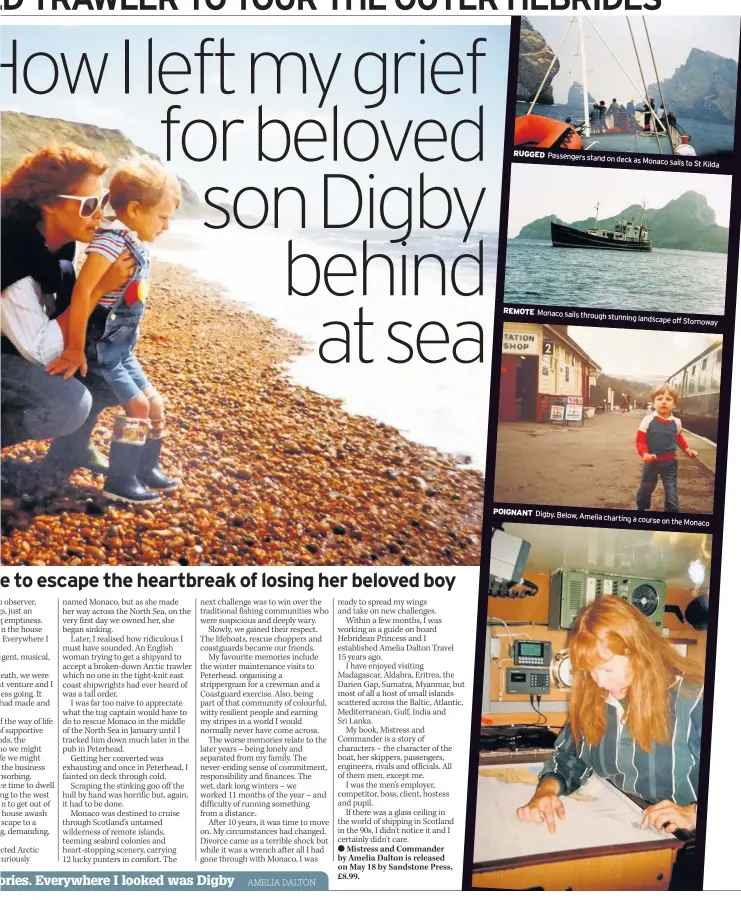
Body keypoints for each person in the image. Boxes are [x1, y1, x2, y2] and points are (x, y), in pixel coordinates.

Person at [47, 157, 181, 504]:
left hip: (121, 349)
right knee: (137, 407)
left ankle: (145, 467)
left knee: (155, 403)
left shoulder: (133, 240)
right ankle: (121, 480)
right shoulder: (109, 242)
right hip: (100, 349)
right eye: (163, 217)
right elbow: (83, 293)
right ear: (135, 209)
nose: (167, 227)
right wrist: (75, 349)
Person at [516, 595, 703, 839]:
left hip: (687, 844)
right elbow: (570, 758)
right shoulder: (594, 699)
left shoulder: (694, 702)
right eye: (590, 671)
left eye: (607, 668)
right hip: (623, 829)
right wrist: (546, 791)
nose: (601, 682)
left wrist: (694, 813)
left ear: (637, 652)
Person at [1, 144, 135, 471]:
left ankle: (72, 449)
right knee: (68, 404)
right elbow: (41, 351)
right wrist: (100, 288)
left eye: (101, 201)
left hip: (19, 344)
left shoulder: (63, 241)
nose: (100, 213)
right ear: (49, 204)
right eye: (89, 205)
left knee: (112, 363)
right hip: (13, 351)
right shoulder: (11, 254)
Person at [635, 383, 698, 513]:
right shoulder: (648, 420)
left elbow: (678, 438)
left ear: (674, 404)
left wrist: (687, 450)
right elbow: (640, 441)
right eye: (659, 399)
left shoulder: (677, 422)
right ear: (653, 403)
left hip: (670, 463)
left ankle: (672, 515)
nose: (663, 402)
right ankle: (641, 508)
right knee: (645, 489)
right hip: (651, 462)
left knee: (671, 491)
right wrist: (644, 454)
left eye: (668, 399)